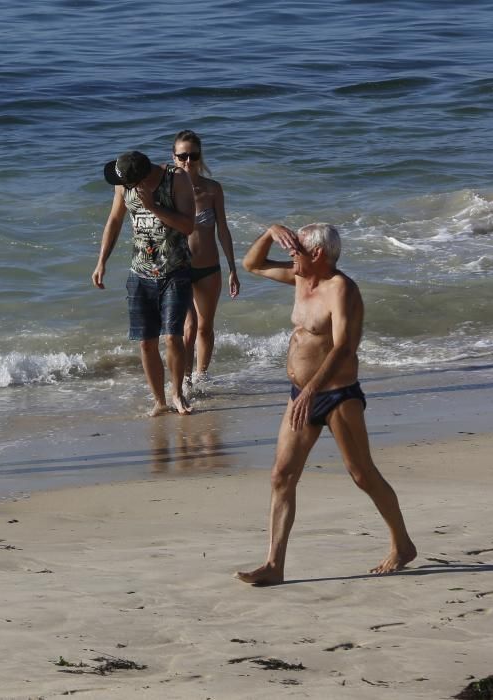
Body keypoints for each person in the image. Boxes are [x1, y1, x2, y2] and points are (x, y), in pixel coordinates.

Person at [236, 223, 416, 585]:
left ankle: (403, 545)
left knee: (361, 474)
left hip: (336, 396)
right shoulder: (300, 278)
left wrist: (312, 389)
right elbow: (251, 265)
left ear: (317, 254)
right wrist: (273, 232)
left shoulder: (341, 290)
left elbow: (343, 347)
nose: (290, 255)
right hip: (300, 396)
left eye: (296, 249)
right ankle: (274, 565)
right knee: (281, 476)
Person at [93, 150, 196, 416]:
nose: (121, 184)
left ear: (139, 178)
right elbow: (114, 221)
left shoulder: (176, 179)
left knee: (173, 336)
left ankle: (177, 394)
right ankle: (159, 401)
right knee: (146, 342)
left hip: (176, 269)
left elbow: (188, 226)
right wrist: (101, 261)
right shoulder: (123, 186)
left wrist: (153, 207)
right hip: (140, 272)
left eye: (125, 181)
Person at [170, 130, 240, 388]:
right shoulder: (167, 190)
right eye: (182, 156)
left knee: (204, 328)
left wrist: (233, 268)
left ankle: (201, 376)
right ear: (174, 157)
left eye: (193, 155)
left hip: (210, 268)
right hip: (180, 268)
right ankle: (184, 381)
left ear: (200, 157)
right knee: (189, 327)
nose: (188, 161)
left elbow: (223, 229)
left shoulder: (212, 189)